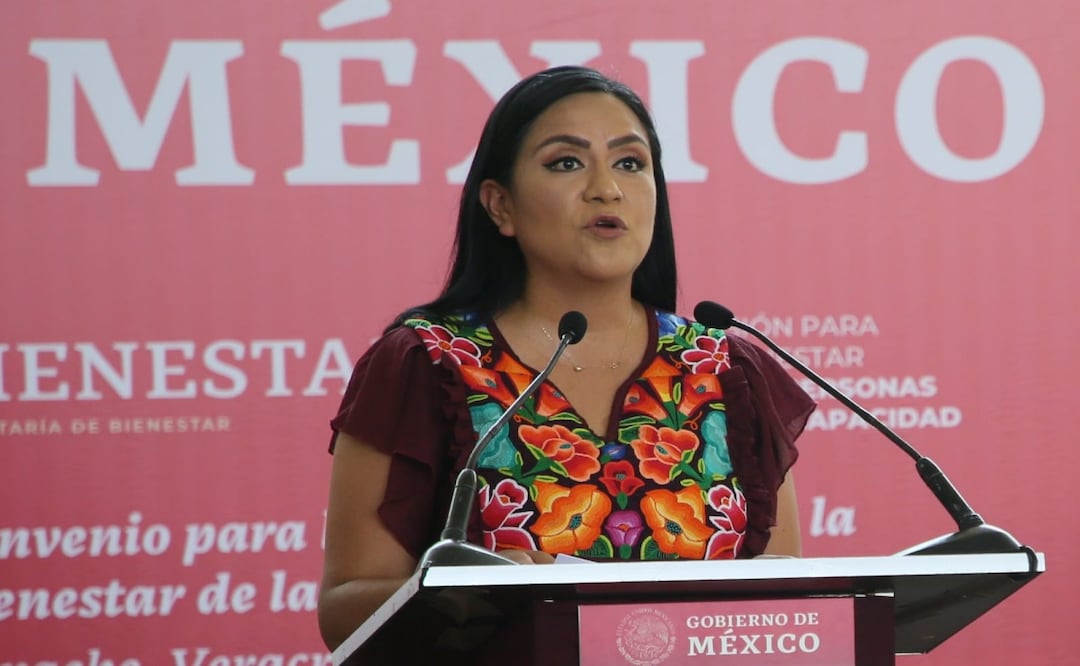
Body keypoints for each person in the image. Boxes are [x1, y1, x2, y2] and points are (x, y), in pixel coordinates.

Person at [317, 65, 816, 651]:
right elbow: (346, 608)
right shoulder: (428, 363)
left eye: (630, 163)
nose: (607, 188)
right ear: (499, 205)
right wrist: (457, 592)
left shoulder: (725, 365)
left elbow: (788, 610)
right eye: (567, 163)